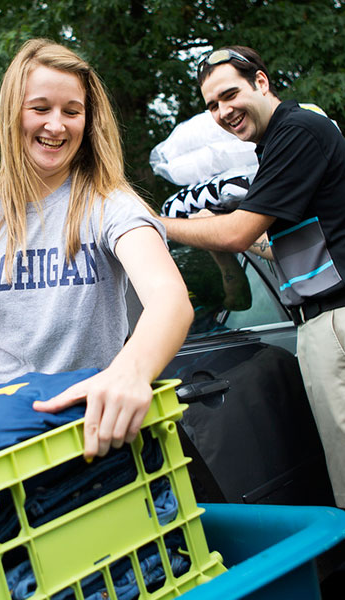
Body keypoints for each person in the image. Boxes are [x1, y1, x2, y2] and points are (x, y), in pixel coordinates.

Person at [0, 38, 193, 460]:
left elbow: (170, 300)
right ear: (11, 113)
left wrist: (130, 374)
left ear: (87, 121)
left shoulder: (111, 205)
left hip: (97, 430)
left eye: (71, 112)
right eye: (40, 109)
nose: (56, 125)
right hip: (5, 443)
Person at [159, 45, 345, 508]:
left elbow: (240, 232)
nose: (223, 112)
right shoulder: (277, 149)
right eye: (212, 106)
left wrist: (154, 224)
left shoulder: (297, 131)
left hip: (337, 322)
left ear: (261, 82)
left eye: (230, 94)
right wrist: (213, 234)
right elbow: (266, 247)